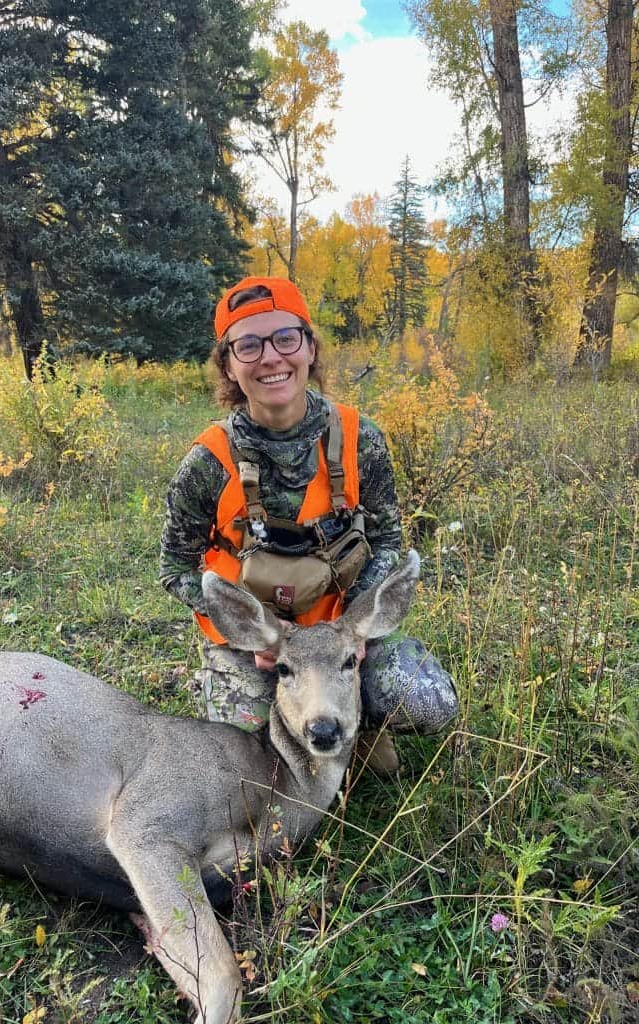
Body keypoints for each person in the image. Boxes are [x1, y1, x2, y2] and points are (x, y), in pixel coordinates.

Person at [159, 276, 457, 772]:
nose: (271, 357)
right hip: (256, 639)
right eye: (248, 345)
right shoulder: (207, 461)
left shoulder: (360, 438)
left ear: (310, 348)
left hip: (338, 635)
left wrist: (354, 630)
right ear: (229, 365)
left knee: (426, 699)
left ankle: (360, 730)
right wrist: (252, 631)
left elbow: (385, 540)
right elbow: (174, 566)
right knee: (240, 747)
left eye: (285, 338)